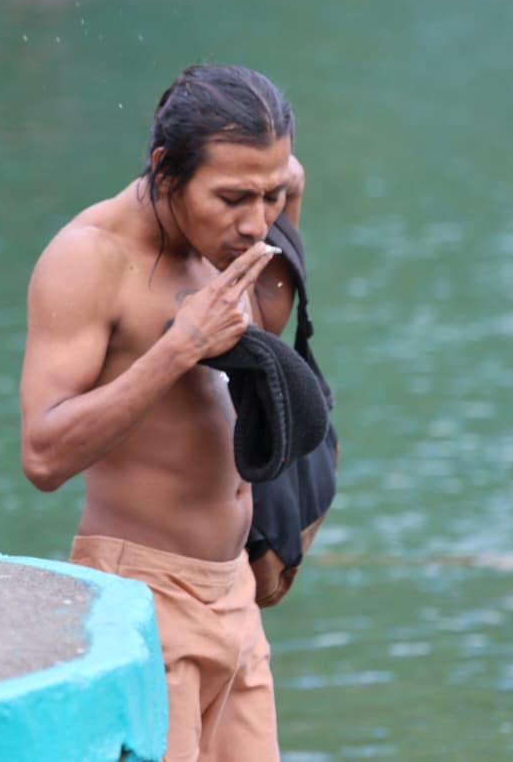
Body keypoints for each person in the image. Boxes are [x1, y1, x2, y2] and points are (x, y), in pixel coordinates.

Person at [20, 64, 306, 761]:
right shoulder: (91, 258)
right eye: (233, 197)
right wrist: (178, 349)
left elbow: (269, 311)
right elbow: (43, 455)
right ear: (164, 171)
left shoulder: (238, 236)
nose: (255, 222)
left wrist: (282, 196)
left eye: (270, 194)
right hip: (144, 595)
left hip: (235, 596)